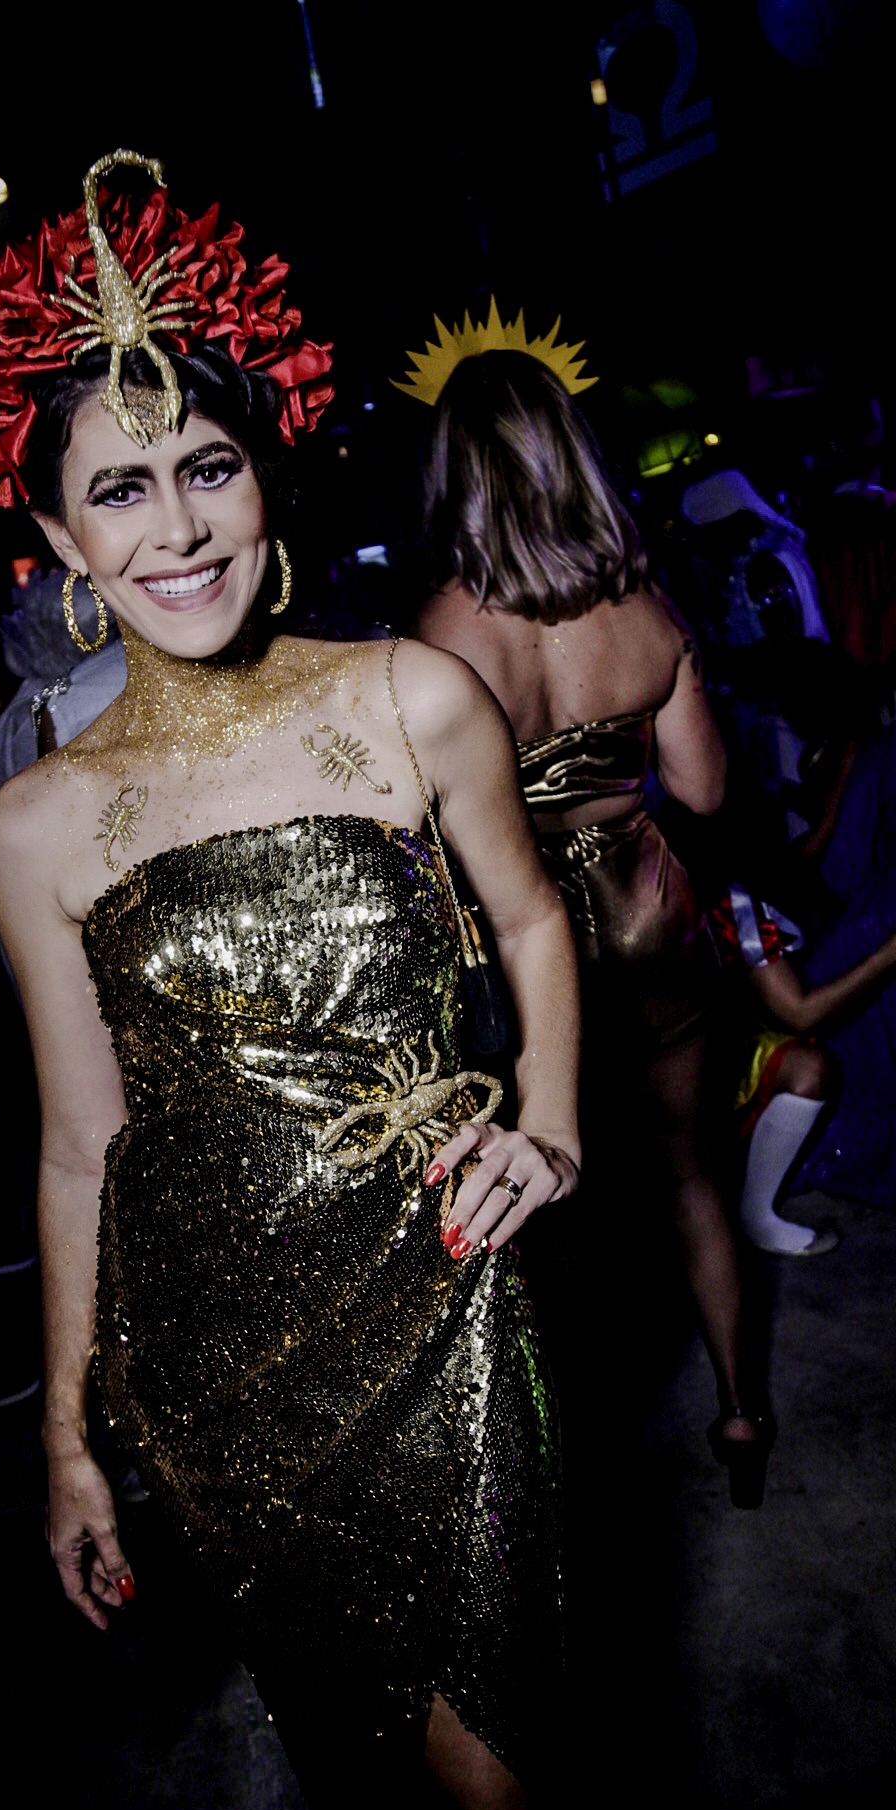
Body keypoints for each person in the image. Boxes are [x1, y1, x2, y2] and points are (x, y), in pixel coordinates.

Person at [0, 151, 582, 1810]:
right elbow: (81, 1147)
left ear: (264, 477)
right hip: (210, 1374)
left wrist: (554, 1122)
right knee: (362, 1766)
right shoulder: (38, 825)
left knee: (505, 1783)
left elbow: (533, 917)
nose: (179, 527)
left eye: (207, 467)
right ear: (59, 543)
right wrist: (65, 1442)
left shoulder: (412, 696)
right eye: (120, 489)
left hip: (444, 1305)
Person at [408, 334, 772, 1507]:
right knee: (692, 1176)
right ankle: (739, 1412)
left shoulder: (440, 634)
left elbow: (419, 832)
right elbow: (704, 793)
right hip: (649, 914)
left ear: (454, 473)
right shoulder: (644, 613)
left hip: (524, 949)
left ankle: (582, 1466)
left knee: (547, 1203)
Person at [698, 861, 896, 1253]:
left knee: (807, 1066)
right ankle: (744, 1217)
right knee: (806, 1067)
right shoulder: (725, 900)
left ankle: (748, 1210)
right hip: (670, 1077)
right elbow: (800, 1013)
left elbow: (803, 859)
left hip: (692, 1059)